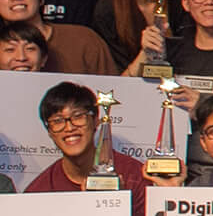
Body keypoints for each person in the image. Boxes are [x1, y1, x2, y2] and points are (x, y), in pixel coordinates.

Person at [26, 80, 157, 198]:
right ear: (49, 131)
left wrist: (119, 203)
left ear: (95, 121)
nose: (69, 127)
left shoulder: (133, 175)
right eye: (58, 121)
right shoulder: (39, 192)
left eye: (78, 116)